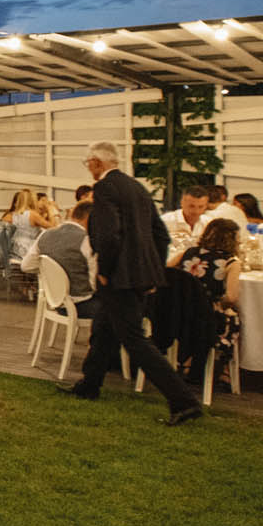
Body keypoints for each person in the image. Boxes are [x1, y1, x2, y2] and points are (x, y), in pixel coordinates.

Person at [64, 143, 201, 423]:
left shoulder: (104, 188)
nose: (88, 168)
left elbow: (109, 235)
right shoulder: (135, 187)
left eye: (88, 163)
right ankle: (89, 385)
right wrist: (152, 271)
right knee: (104, 328)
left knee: (135, 340)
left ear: (97, 163)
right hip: (138, 275)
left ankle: (183, 401)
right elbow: (160, 235)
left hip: (119, 277)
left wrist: (105, 269)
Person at [172, 218, 243, 382]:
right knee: (234, 317)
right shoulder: (231, 262)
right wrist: (221, 304)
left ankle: (187, 359)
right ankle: (224, 368)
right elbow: (231, 297)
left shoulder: (187, 253)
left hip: (179, 314)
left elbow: (167, 272)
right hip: (207, 318)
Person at [31, 200, 99, 317]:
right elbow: (94, 284)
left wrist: (52, 274)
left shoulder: (45, 235)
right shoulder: (86, 240)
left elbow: (26, 266)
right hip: (82, 305)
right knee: (124, 306)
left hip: (53, 302)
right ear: (89, 219)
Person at [162, 185, 210, 249]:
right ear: (182, 203)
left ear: (206, 206)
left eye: (201, 207)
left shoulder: (209, 223)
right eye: (191, 206)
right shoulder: (165, 221)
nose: (196, 211)